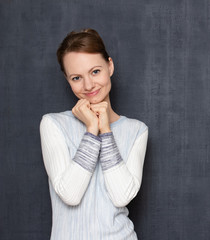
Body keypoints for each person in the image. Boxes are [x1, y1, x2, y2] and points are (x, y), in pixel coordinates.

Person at [39, 29, 148, 240]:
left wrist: (105, 131)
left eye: (95, 71)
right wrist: (91, 129)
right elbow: (70, 194)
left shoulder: (137, 130)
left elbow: (121, 196)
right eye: (77, 77)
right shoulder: (53, 124)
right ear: (67, 79)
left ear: (110, 66)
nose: (88, 85)